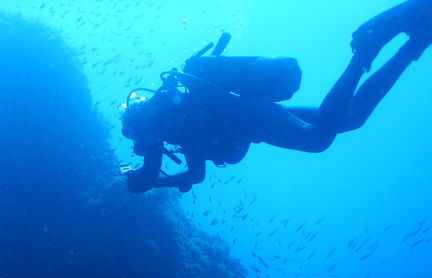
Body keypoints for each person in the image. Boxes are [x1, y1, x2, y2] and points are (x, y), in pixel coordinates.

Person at [120, 0, 432, 194]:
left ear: (135, 123)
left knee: (317, 139)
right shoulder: (172, 120)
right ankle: (413, 44)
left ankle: (366, 48)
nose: (137, 143)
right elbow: (197, 174)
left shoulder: (154, 126)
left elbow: (148, 176)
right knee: (350, 118)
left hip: (248, 117)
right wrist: (163, 181)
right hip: (249, 113)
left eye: (132, 135)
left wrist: (143, 180)